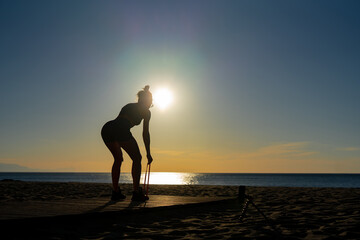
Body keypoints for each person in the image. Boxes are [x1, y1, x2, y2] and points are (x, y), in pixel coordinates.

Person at [101, 85, 153, 201]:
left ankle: (115, 192)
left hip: (107, 128)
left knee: (118, 159)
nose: (151, 103)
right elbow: (145, 133)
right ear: (147, 100)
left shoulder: (129, 106)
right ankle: (135, 192)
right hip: (120, 129)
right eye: (151, 100)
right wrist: (148, 153)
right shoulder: (146, 112)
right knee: (137, 158)